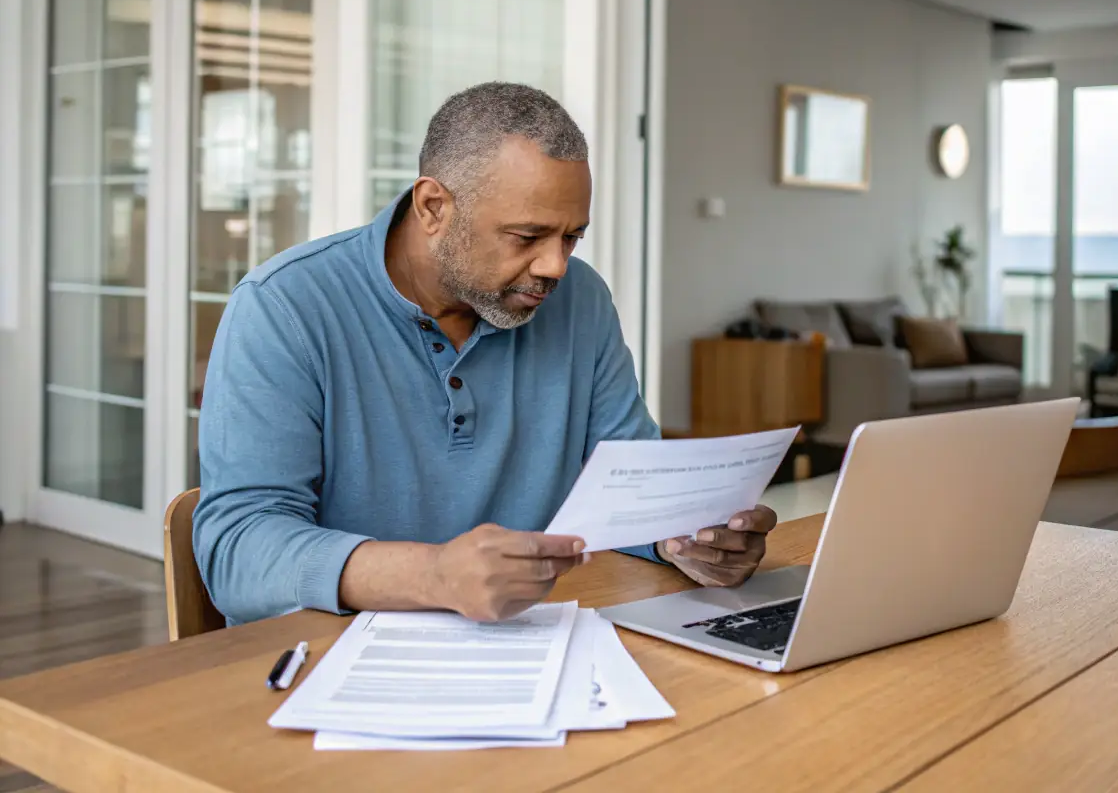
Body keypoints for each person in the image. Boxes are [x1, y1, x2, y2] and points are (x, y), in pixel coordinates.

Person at [193, 82, 776, 625]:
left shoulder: (581, 300)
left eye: (571, 237)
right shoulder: (283, 308)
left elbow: (624, 488)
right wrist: (433, 577)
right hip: (332, 663)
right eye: (527, 237)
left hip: (536, 649)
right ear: (433, 208)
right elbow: (237, 550)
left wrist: (686, 539)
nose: (556, 267)